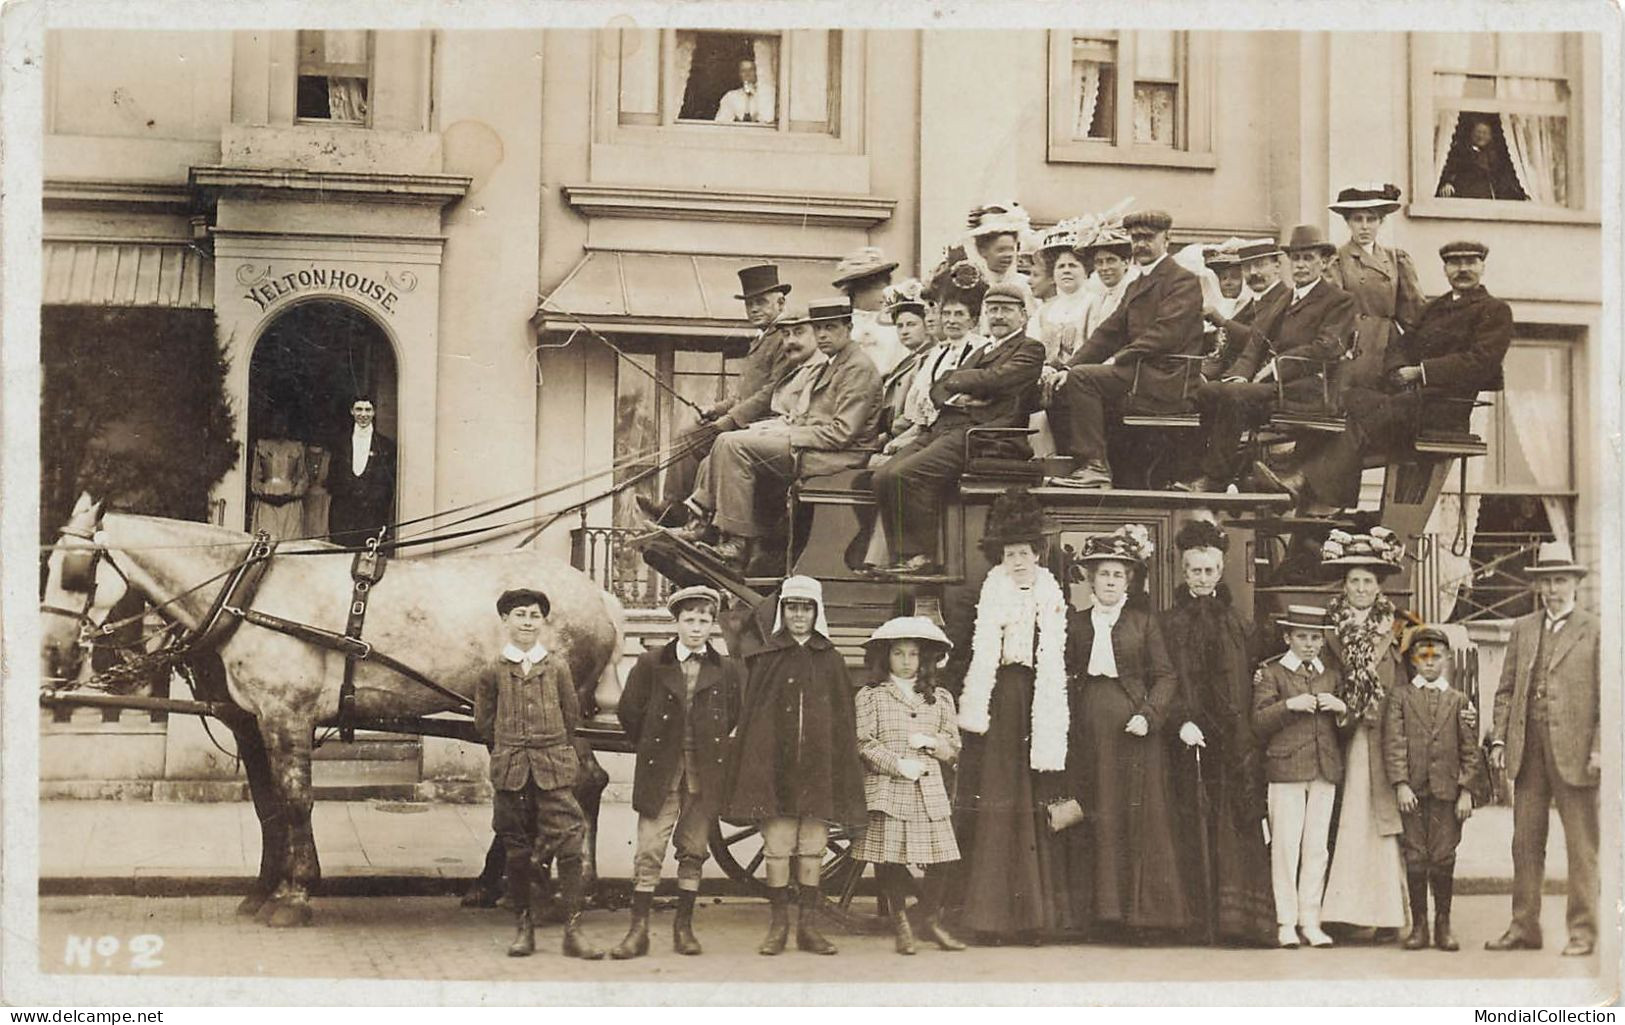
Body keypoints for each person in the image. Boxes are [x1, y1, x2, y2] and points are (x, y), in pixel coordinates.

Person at [1258, 240, 1512, 512]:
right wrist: (1395, 371)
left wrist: (1419, 372)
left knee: (1361, 408)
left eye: (1470, 263)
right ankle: (1312, 487)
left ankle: (1302, 479)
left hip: (1444, 408)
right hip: (1409, 401)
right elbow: (1402, 345)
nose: (1462, 269)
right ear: (1445, 269)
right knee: (1344, 398)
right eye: (1455, 263)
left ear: (1482, 267)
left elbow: (1479, 362)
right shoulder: (1434, 309)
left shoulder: (1494, 311)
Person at [952, 489, 1075, 943]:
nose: (1018, 560)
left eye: (1025, 552)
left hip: (1039, 702)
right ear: (1000, 555)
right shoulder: (986, 591)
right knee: (1000, 801)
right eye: (1010, 553)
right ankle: (989, 916)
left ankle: (1034, 918)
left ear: (1038, 553)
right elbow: (965, 651)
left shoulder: (1051, 592)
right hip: (1000, 701)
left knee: (1036, 802)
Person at [723, 576, 867, 955]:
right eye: (792, 608)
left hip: (817, 771)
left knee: (812, 849)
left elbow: (843, 721)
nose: (798, 615)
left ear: (816, 613)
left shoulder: (831, 660)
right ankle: (778, 926)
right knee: (777, 847)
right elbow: (753, 719)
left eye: (805, 608)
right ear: (783, 612)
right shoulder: (766, 659)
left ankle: (807, 928)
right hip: (778, 772)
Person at [1065, 524, 1189, 938]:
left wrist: (1150, 715)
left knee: (1136, 815)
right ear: (1090, 579)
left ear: (1129, 581)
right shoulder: (1076, 624)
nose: (1111, 582)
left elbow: (1167, 676)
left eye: (1119, 575)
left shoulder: (1143, 622)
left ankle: (1141, 916)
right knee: (1096, 810)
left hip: (1134, 729)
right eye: (1104, 574)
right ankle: (1099, 915)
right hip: (1089, 726)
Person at [872, 283, 1045, 575]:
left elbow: (999, 379)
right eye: (993, 310)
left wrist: (965, 382)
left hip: (987, 435)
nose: (998, 316)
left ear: (1023, 315)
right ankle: (902, 555)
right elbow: (940, 387)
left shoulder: (1030, 349)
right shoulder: (982, 349)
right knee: (882, 477)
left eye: (1006, 310)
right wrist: (969, 385)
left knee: (907, 475)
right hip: (947, 426)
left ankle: (924, 556)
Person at [696, 298, 881, 570]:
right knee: (728, 441)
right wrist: (777, 429)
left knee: (732, 444)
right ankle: (705, 524)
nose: (823, 336)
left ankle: (735, 543)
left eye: (830, 328)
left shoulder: (857, 368)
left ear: (849, 327)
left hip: (840, 456)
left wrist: (790, 436)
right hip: (816, 447)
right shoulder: (833, 363)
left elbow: (842, 433)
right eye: (818, 329)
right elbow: (809, 416)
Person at [473, 588, 605, 960]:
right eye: (519, 615)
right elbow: (484, 723)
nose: (527, 622)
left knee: (569, 844)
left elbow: (570, 717)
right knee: (517, 850)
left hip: (553, 771)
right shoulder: (492, 670)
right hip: (512, 772)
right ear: (505, 621)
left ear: (543, 622)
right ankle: (524, 929)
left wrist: (547, 748)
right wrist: (512, 746)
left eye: (534, 615)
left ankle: (573, 932)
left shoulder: (558, 667)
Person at [610, 585, 742, 960]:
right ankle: (638, 931)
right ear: (677, 622)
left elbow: (733, 713)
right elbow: (629, 712)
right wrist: (656, 748)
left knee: (694, 850)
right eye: (689, 619)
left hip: (703, 774)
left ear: (712, 624)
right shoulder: (652, 663)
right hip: (661, 772)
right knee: (649, 849)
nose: (697, 627)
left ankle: (683, 928)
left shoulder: (726, 669)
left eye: (704, 620)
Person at [1161, 520, 1275, 947]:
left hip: (1230, 738)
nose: (1203, 579)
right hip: (1187, 737)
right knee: (1191, 819)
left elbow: (1248, 680)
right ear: (1184, 572)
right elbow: (1164, 676)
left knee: (1232, 823)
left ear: (1220, 571)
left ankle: (1234, 921)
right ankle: (1195, 920)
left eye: (1209, 571)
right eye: (1195, 571)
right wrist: (1180, 720)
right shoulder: (1168, 623)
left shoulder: (1239, 624)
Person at [1485, 541, 1599, 957]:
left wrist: (1600, 748)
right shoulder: (1523, 628)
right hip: (1528, 752)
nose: (1552, 589)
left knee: (1582, 847)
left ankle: (1583, 932)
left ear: (1575, 583)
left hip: (1577, 753)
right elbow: (1505, 691)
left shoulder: (1596, 629)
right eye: (1546, 581)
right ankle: (1524, 927)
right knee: (1525, 844)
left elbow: (1612, 696)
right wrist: (1499, 738)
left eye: (1560, 580)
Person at [1179, 225, 1355, 494]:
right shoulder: (1284, 298)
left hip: (1307, 388)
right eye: (1296, 259)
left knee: (1234, 395)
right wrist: (1239, 374)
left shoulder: (1338, 300)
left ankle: (1215, 479)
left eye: (1308, 258)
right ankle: (1192, 470)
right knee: (1205, 391)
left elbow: (1326, 348)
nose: (1301, 266)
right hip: (1274, 387)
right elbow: (1256, 343)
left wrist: (1275, 367)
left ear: (1324, 261)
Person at [1047, 209, 1205, 488]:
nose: (1141, 244)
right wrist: (1066, 367)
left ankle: (1094, 466)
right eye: (1135, 238)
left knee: (1084, 379)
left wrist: (1116, 361)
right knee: (1064, 382)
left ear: (1167, 239)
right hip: (1142, 373)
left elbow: (1165, 334)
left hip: (1167, 378)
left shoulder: (1182, 280)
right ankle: (1080, 463)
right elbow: (1107, 333)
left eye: (1148, 237)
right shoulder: (1137, 284)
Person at [640, 263, 791, 526]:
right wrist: (717, 409)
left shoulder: (784, 339)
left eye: (761, 302)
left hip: (765, 424)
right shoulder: (762, 338)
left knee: (691, 441)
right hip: (747, 419)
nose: (753, 309)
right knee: (687, 436)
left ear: (780, 303)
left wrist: (731, 419)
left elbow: (773, 391)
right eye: (749, 304)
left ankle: (677, 512)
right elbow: (745, 393)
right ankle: (676, 508)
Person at [852, 616, 968, 954]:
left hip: (928, 790)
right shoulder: (871, 696)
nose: (906, 661)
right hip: (888, 787)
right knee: (889, 859)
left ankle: (929, 919)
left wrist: (933, 744)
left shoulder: (940, 697)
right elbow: (862, 742)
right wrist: (896, 763)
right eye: (898, 654)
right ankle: (901, 922)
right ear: (886, 657)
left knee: (944, 860)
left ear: (925, 658)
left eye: (913, 654)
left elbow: (954, 744)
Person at [1317, 528, 1409, 943]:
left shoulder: (1401, 626)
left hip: (1383, 731)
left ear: (1379, 586)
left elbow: (1419, 671)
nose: (1360, 588)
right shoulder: (1327, 627)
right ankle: (1341, 912)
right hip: (1341, 731)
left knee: (1380, 820)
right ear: (1343, 585)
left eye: (1368, 581)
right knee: (1346, 819)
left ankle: (1388, 912)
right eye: (1353, 580)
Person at [1252, 604, 1346, 949]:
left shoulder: (1330, 673)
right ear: (1287, 637)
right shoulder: (1272, 672)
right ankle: (1285, 921)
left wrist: (1342, 709)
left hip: (1324, 768)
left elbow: (1346, 724)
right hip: (1286, 768)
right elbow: (1258, 721)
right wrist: (1289, 706)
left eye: (1316, 638)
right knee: (1286, 846)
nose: (1309, 644)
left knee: (1317, 848)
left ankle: (1311, 919)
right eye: (1302, 637)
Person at [1384, 625, 1480, 952]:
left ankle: (1443, 923)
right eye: (1422, 657)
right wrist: (1400, 784)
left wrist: (1466, 790)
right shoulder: (1400, 697)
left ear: (1447, 658)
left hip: (1447, 794)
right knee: (1415, 854)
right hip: (1413, 792)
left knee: (1443, 856)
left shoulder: (1459, 700)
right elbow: (1394, 743)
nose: (1429, 663)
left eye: (1436, 656)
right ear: (1412, 659)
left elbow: (1470, 751)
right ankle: (1419, 925)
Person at [1326, 183, 1424, 391]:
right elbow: (1334, 312)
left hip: (1389, 344)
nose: (1364, 226)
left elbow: (1412, 313)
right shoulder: (1337, 261)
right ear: (1348, 222)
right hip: (1355, 345)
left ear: (1381, 222)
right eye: (1357, 219)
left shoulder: (1396, 259)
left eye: (1371, 219)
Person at [1197, 238, 1290, 384]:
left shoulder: (1285, 300)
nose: (1253, 272)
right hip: (1230, 373)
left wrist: (1223, 322)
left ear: (1277, 267)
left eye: (1260, 265)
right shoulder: (1252, 302)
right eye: (1247, 267)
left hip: (1258, 378)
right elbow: (1224, 346)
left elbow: (1259, 341)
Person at [327, 394, 396, 547]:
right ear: (352, 411)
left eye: (368, 410)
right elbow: (332, 479)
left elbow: (388, 486)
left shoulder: (385, 446)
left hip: (372, 516)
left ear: (374, 412)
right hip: (343, 515)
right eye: (359, 409)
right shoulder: (339, 443)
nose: (363, 415)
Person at [833, 247, 909, 375]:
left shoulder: (896, 322)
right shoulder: (840, 324)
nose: (883, 294)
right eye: (876, 288)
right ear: (856, 291)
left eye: (886, 286)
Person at [1032, 219, 1093, 367]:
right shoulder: (1044, 310)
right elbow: (1032, 347)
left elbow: (1094, 348)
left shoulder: (1093, 303)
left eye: (1073, 266)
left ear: (1086, 271)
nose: (1066, 270)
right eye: (1060, 266)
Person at [249, 411, 308, 540]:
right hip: (267, 499)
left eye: (283, 423)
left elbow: (302, 477)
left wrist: (291, 496)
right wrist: (264, 495)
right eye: (276, 423)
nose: (280, 427)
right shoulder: (262, 446)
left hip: (290, 501)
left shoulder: (296, 447)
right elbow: (255, 477)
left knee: (290, 543)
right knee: (265, 540)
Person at [1436, 117, 1524, 201]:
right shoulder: (1461, 153)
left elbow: (1505, 179)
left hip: (1488, 199)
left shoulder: (1495, 157)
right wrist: (1447, 183)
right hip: (1466, 195)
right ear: (1471, 134)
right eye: (1478, 132)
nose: (1481, 136)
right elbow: (1451, 168)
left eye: (1485, 133)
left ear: (1490, 137)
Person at [715, 57, 772, 124]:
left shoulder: (767, 95)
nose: (747, 74)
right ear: (739, 74)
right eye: (743, 71)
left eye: (751, 70)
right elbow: (721, 122)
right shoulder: (730, 97)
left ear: (757, 72)